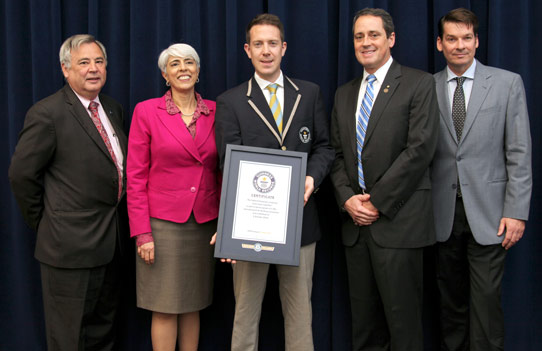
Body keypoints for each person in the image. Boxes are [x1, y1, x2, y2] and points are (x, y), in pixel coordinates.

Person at [213, 13, 335, 351]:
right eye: (258, 44)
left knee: (300, 314)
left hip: (301, 222)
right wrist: (230, 227)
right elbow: (228, 164)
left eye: (272, 44)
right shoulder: (231, 101)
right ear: (247, 50)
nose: (265, 51)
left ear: (283, 48)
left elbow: (324, 147)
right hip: (251, 227)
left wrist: (311, 178)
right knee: (246, 314)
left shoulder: (308, 94)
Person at [329, 8, 439, 350]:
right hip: (355, 227)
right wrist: (348, 199)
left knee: (403, 327)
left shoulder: (419, 83)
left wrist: (376, 201)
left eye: (373, 35)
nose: (366, 43)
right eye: (359, 36)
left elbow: (419, 150)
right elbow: (335, 154)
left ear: (391, 39)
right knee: (364, 329)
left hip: (399, 224)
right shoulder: (344, 93)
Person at [8, 34, 127, 351]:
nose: (93, 69)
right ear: (65, 69)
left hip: (110, 244)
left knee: (104, 332)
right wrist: (48, 222)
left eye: (99, 61)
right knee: (69, 338)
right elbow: (21, 176)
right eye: (84, 62)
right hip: (68, 248)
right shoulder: (47, 113)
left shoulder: (113, 109)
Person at [432, 8, 532, 351]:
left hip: (492, 215)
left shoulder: (507, 83)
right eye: (452, 39)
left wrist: (517, 211)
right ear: (439, 44)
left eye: (466, 38)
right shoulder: (425, 88)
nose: (460, 45)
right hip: (441, 215)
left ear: (476, 41)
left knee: (486, 305)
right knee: (450, 305)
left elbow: (519, 152)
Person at [127, 43, 219, 351]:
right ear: (165, 74)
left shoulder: (216, 112)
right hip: (162, 226)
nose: (183, 68)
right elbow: (136, 176)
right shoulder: (146, 111)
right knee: (165, 305)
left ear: (198, 70)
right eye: (175, 64)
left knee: (193, 303)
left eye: (189, 62)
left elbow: (223, 170)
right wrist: (142, 233)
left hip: (204, 223)